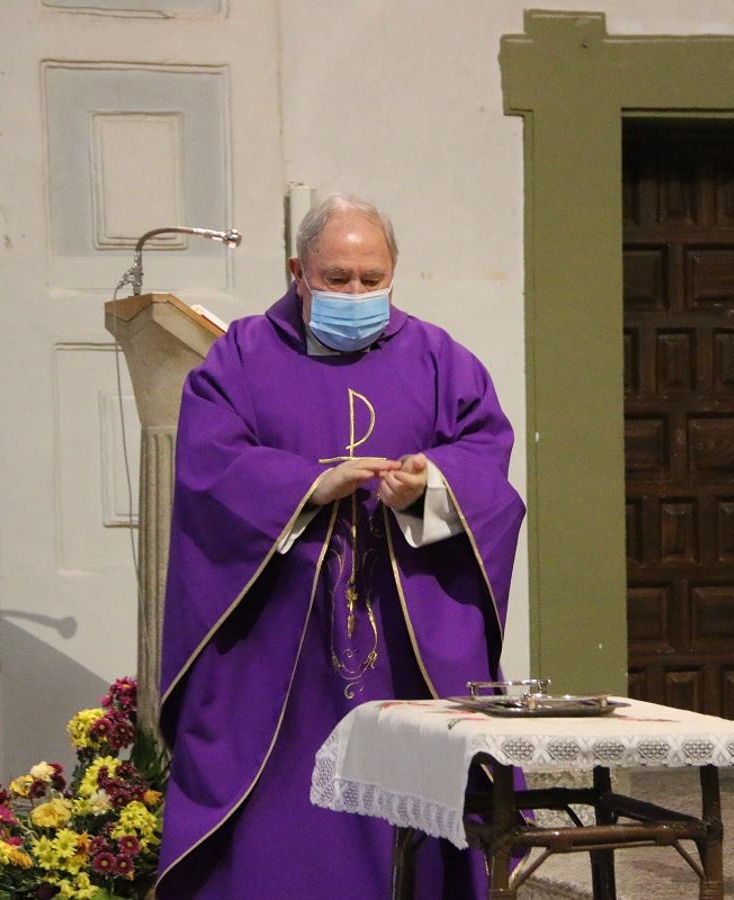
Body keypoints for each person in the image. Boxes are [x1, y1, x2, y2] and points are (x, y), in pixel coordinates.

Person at [155, 194, 525, 897]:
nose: (356, 294)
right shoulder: (241, 356)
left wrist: (430, 486)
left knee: (415, 804)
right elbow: (208, 470)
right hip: (280, 643)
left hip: (405, 628)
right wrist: (307, 486)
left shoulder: (441, 359)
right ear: (298, 271)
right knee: (284, 825)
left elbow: (488, 463)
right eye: (337, 279)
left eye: (371, 279)